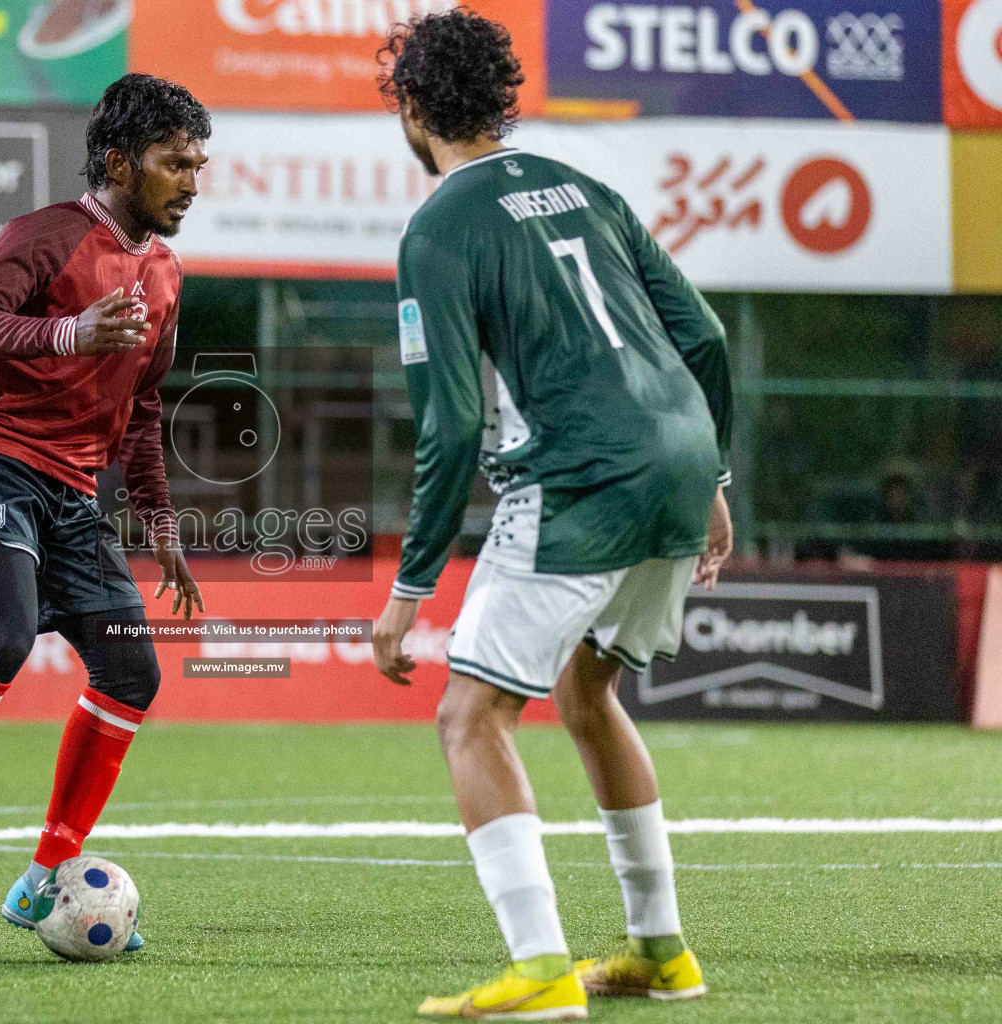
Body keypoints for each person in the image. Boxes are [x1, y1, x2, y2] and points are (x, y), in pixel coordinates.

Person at [370, 12, 733, 1019]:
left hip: (583, 479)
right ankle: (661, 953)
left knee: (468, 715)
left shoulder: (440, 228)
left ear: (410, 112)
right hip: (677, 460)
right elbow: (701, 335)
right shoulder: (590, 190)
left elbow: (447, 425)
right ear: (499, 100)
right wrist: (712, 478)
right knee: (588, 693)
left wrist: (408, 590)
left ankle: (539, 969)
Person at [0, 73, 209, 951]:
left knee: (132, 673)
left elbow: (140, 411)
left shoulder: (166, 276)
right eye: (176, 163)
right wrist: (69, 331)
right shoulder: (47, 235)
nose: (193, 181)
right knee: (5, 639)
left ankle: (43, 873)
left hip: (74, 489)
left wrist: (161, 527)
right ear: (118, 162)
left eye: (199, 164)